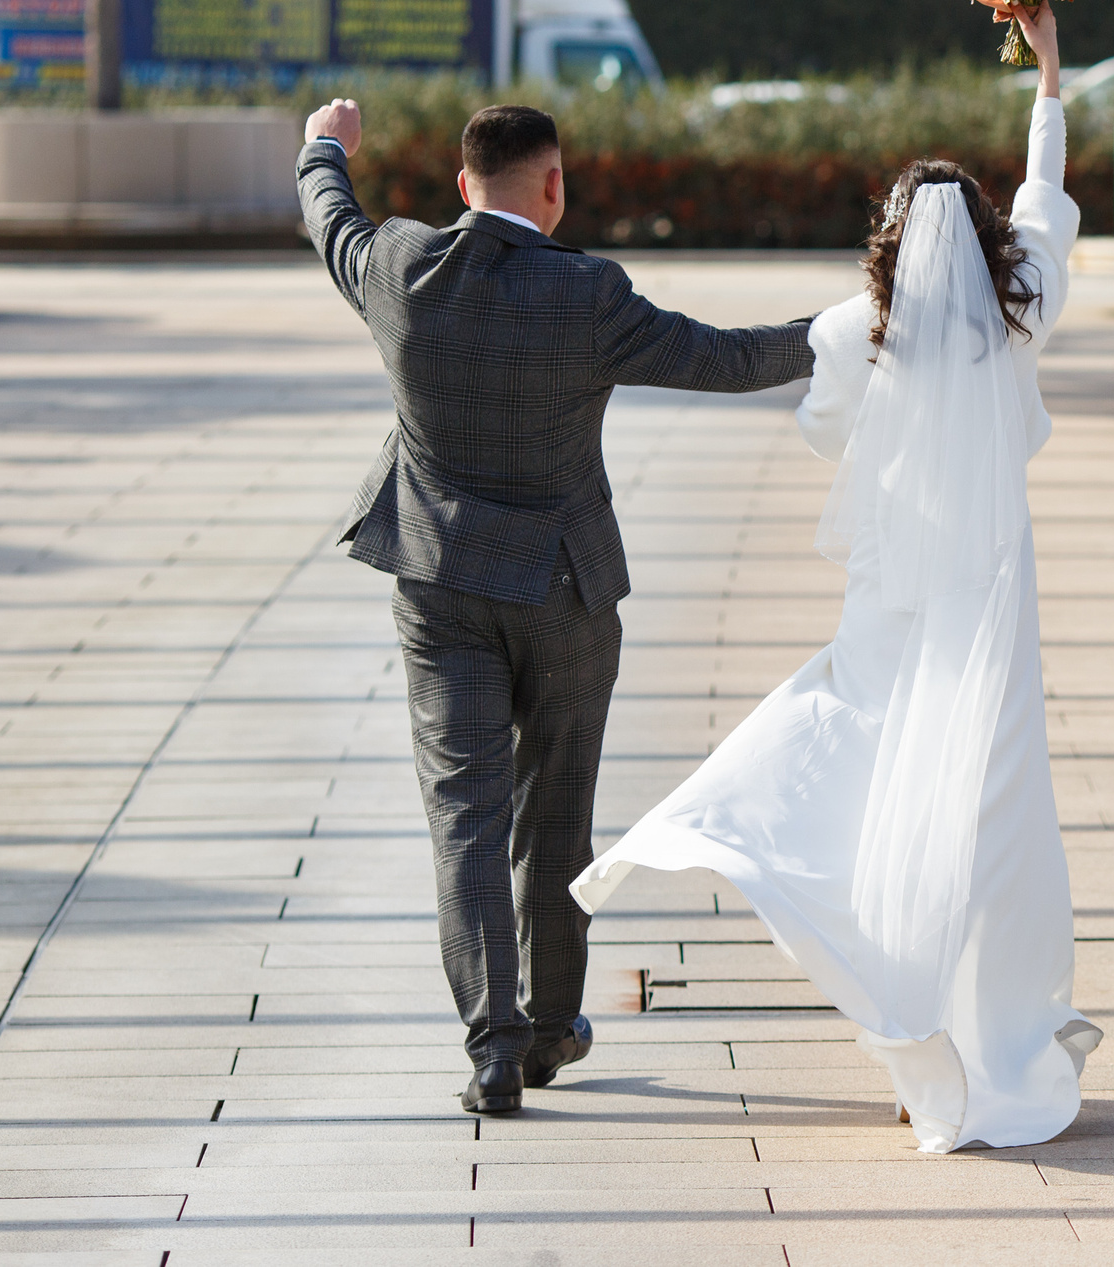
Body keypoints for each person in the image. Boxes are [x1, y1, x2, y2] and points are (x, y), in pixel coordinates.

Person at [572, 2, 1097, 1153]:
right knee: (994, 806)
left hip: (893, 594)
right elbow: (1046, 206)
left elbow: (825, 437)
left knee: (860, 759)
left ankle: (853, 953)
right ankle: (999, 1039)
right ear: (984, 244)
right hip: (995, 601)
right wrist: (1046, 74)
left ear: (891, 239)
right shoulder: (1023, 312)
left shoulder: (848, 330)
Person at [296, 99, 816, 1117]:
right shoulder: (587, 292)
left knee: (464, 815)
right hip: (565, 591)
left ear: (460, 186)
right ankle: (548, 1028)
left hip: (442, 585)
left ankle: (491, 1048)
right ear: (554, 184)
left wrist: (327, 145)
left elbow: (330, 219)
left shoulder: (401, 267)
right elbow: (726, 359)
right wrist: (849, 330)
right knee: (555, 809)